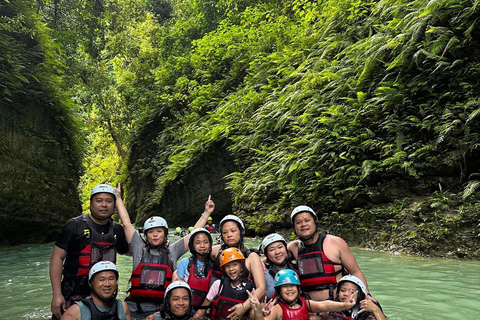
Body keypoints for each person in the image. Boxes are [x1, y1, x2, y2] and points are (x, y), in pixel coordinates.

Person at [115, 184, 215, 315]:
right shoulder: (139, 249)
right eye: (151, 232)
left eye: (159, 231)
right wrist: (118, 198)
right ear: (145, 235)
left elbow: (192, 236)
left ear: (165, 234)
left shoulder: (172, 252)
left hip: (162, 312)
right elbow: (126, 223)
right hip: (135, 309)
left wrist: (206, 213)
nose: (155, 235)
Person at [50, 184, 130, 320]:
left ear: (114, 205)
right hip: (74, 291)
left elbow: (133, 251)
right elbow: (57, 258)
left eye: (109, 201)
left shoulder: (117, 230)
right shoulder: (74, 226)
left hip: (104, 294)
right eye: (99, 200)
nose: (104, 204)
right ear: (91, 203)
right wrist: (57, 295)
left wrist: (158, 245)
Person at [287, 205, 372, 301]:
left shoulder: (336, 243)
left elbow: (355, 272)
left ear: (315, 223)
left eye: (307, 220)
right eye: (298, 222)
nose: (303, 224)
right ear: (294, 228)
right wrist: (265, 262)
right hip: (310, 309)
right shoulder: (293, 248)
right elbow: (275, 255)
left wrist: (367, 295)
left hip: (337, 306)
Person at [209, 214, 266, 319]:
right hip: (219, 306)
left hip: (243, 306)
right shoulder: (216, 251)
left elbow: (261, 288)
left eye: (233, 231)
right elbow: (197, 247)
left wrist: (244, 307)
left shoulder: (251, 257)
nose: (229, 235)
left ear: (241, 232)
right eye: (225, 232)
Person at [248, 269, 355, 320]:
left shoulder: (306, 304)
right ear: (279, 291)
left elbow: (323, 305)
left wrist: (344, 305)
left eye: (292, 286)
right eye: (285, 286)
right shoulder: (278, 309)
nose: (289, 289)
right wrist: (257, 310)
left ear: (298, 289)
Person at [194, 248, 255, 320]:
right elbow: (203, 308)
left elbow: (252, 315)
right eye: (227, 266)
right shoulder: (218, 285)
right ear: (224, 269)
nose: (231, 269)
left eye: (235, 265)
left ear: (242, 267)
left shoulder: (249, 288)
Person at [60, 261, 131, 320]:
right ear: (92, 283)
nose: (107, 284)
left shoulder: (122, 307)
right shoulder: (75, 311)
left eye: (111, 279)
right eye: (101, 279)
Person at [173, 227, 214, 310]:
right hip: (186, 308)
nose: (202, 245)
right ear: (192, 246)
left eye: (205, 242)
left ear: (210, 244)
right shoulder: (185, 263)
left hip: (204, 309)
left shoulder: (213, 265)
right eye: (198, 243)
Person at [261, 234, 296, 300]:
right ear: (267, 255)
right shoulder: (263, 272)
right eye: (271, 250)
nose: (277, 252)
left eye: (280, 247)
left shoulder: (295, 269)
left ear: (286, 249)